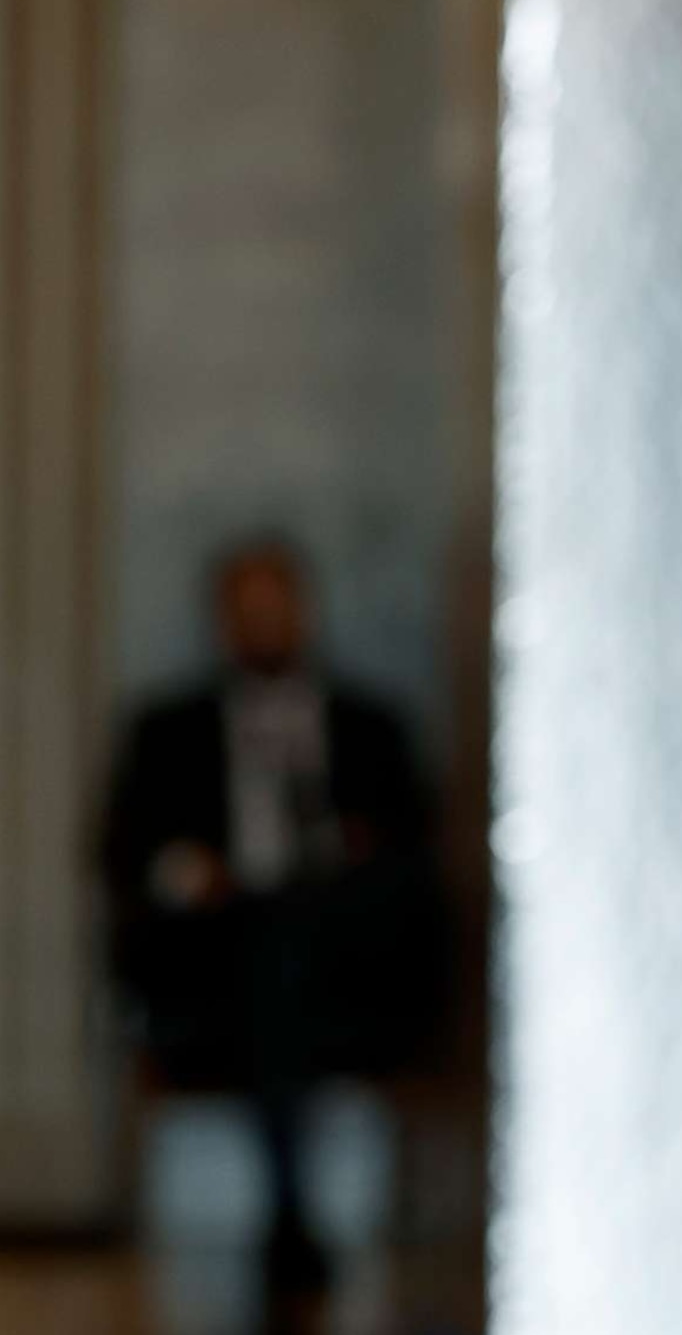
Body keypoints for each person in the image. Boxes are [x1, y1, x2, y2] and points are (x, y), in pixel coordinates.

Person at [99, 538, 433, 1294]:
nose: (265, 627)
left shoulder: (370, 731)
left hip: (344, 962)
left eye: (277, 610)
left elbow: (413, 860)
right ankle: (292, 1215)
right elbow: (126, 850)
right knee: (270, 943)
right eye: (249, 613)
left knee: (295, 937)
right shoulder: (168, 731)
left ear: (306, 614)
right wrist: (195, 877)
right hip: (217, 961)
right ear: (223, 622)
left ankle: (287, 1216)